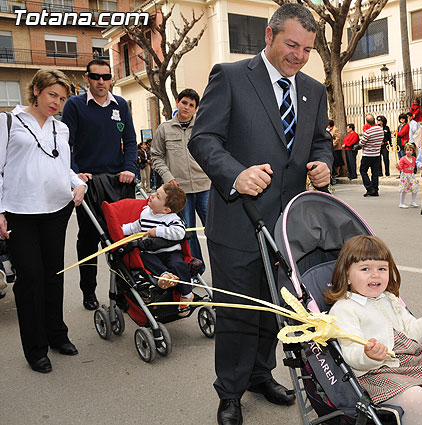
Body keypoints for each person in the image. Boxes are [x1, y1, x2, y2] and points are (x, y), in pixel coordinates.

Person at [187, 4, 333, 424]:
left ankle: (259, 374)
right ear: (269, 36)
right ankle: (229, 393)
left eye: (307, 49)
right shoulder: (230, 76)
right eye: (292, 44)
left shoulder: (313, 90)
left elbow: (320, 141)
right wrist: (236, 174)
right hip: (237, 221)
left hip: (288, 225)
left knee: (276, 308)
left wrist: (322, 164)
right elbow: (205, 139)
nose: (299, 56)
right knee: (236, 312)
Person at [325, 235, 422, 425]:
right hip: (374, 372)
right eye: (366, 269)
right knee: (417, 400)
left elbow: (412, 334)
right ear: (347, 275)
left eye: (382, 269)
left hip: (406, 363)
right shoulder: (344, 308)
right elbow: (349, 354)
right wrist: (368, 354)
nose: (375, 275)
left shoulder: (389, 299)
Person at [0, 69, 86, 373]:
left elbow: (63, 167)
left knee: (54, 274)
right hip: (20, 211)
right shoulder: (8, 121)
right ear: (36, 89)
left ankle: (56, 335)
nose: (57, 103)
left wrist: (79, 182)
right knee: (30, 278)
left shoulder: (60, 129)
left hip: (56, 209)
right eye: (52, 94)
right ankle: (35, 349)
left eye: (62, 98)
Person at [62, 58, 137, 311]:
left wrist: (129, 169)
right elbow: (65, 146)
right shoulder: (74, 106)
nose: (101, 82)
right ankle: (89, 291)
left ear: (111, 79)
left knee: (120, 241)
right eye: (96, 77)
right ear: (87, 79)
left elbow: (130, 140)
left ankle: (122, 293)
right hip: (89, 183)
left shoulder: (121, 106)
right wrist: (75, 174)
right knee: (89, 241)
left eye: (106, 77)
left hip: (118, 182)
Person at [150, 88, 210, 264]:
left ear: (196, 109)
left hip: (205, 186)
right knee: (187, 231)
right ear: (177, 102)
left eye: (191, 105)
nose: (187, 107)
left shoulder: (203, 126)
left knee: (214, 230)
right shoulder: (164, 129)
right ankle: (195, 268)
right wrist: (168, 177)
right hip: (179, 190)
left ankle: (223, 270)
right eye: (184, 102)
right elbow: (156, 156)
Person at [121, 183, 194, 315]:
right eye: (155, 192)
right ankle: (166, 275)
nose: (152, 195)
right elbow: (134, 227)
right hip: (151, 253)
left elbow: (180, 233)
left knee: (179, 265)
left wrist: (157, 231)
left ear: (166, 209)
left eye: (158, 197)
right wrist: (120, 231)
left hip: (171, 252)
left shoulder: (172, 218)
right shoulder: (145, 213)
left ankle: (187, 294)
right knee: (143, 257)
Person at [359, 114, 384, 197]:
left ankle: (369, 188)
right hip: (376, 154)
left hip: (367, 155)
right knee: (375, 173)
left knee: (363, 170)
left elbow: (361, 143)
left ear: (367, 122)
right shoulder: (381, 130)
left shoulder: (368, 132)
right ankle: (375, 190)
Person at [396, 142, 419, 209]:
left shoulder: (414, 158)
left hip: (411, 175)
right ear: (405, 150)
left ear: (413, 151)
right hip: (405, 175)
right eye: (407, 150)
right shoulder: (403, 159)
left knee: (415, 187)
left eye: (410, 150)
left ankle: (412, 201)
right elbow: (400, 168)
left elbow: (416, 165)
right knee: (404, 189)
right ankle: (401, 203)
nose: (409, 152)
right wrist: (397, 167)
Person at [327, 119, 344, 184]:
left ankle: (337, 173)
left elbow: (337, 138)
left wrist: (333, 144)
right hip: (331, 148)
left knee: (337, 161)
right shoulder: (328, 130)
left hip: (336, 148)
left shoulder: (335, 129)